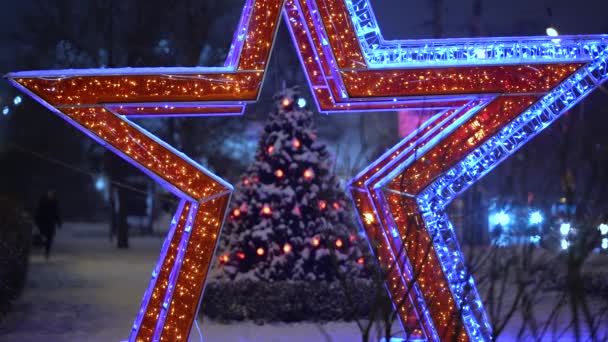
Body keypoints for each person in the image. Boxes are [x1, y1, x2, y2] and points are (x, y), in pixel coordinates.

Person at [35, 191, 62, 260]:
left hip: (50, 224)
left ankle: (47, 252)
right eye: (49, 195)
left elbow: (56, 213)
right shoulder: (43, 203)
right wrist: (37, 222)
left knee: (49, 238)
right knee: (44, 237)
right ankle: (45, 248)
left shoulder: (54, 203)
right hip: (43, 223)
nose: (50, 196)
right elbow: (39, 212)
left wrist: (59, 221)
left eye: (51, 195)